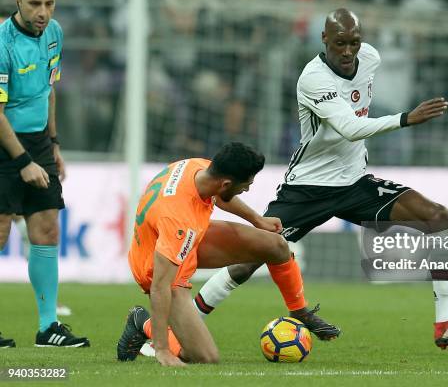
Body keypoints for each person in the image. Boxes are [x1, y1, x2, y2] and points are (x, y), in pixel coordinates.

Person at [194, 8, 448, 349]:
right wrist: (405, 119)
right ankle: (185, 322)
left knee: (436, 215)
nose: (348, 51)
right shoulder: (313, 78)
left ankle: (446, 322)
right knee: (250, 260)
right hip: (308, 187)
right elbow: (350, 129)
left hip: (354, 183)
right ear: (324, 39)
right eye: (340, 43)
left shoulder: (371, 58)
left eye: (354, 42)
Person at [117, 142, 309, 366]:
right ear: (227, 182)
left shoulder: (199, 168)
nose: (246, 190)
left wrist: (258, 220)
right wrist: (162, 350)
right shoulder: (179, 219)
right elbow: (160, 286)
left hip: (182, 238)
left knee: (275, 246)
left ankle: (301, 312)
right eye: (246, 185)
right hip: (158, 267)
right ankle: (142, 323)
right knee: (206, 358)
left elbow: (220, 195)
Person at [0, 0, 89, 348]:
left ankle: (47, 327)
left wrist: (52, 144)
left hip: (38, 142)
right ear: (17, 0)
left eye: (49, 3)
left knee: (48, 228)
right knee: (1, 231)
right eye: (35, 3)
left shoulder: (54, 34)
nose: (43, 12)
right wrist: (21, 161)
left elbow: (49, 89)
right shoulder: (2, 43)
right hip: (4, 143)